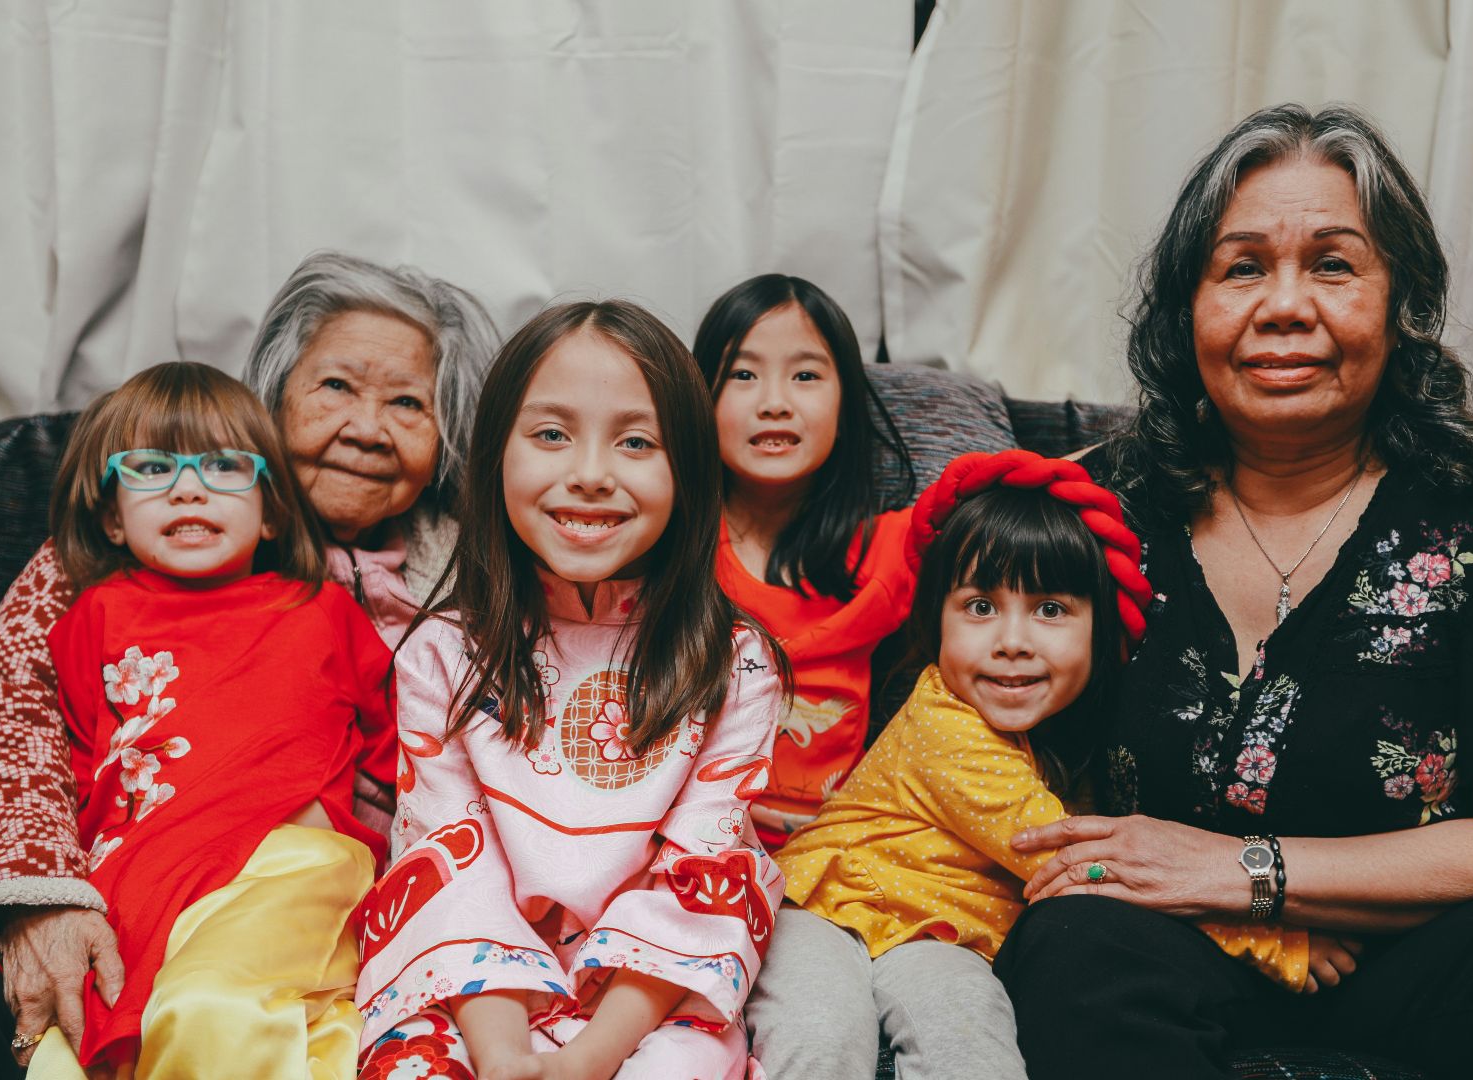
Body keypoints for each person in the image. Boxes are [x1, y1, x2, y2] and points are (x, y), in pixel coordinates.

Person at [991, 103, 1473, 1078]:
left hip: (1425, 952)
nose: (1286, 304)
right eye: (1243, 266)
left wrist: (1248, 871)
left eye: (1333, 265)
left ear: (1402, 306)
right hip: (1179, 952)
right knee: (1069, 951)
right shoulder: (1096, 509)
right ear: (1190, 310)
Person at [0, 251, 496, 1078]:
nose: (366, 426)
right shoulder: (147, 532)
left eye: (408, 402)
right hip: (116, 873)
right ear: (275, 396)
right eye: (336, 388)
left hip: (320, 902)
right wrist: (40, 896)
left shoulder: (483, 583)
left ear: (447, 441)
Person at [748, 450, 1338, 1079]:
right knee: (821, 1040)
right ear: (937, 621)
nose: (1012, 641)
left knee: (979, 1054)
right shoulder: (944, 725)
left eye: (1050, 609)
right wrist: (1276, 942)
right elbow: (1086, 866)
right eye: (979, 607)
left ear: (1099, 632)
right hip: (823, 912)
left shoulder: (1069, 750)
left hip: (943, 939)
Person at [355, 300, 785, 1080]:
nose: (589, 475)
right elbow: (454, 865)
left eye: (636, 442)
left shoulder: (736, 664)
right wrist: (504, 1057)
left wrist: (589, 1058)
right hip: (472, 999)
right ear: (496, 457)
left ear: (689, 470)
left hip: (648, 1001)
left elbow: (698, 876)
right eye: (551, 435)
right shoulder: (442, 656)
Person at [18, 362, 395, 1077]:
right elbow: (63, 766)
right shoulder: (91, 616)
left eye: (224, 465)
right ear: (111, 518)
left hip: (289, 867)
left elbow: (407, 756)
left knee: (206, 1010)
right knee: (64, 1057)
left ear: (273, 512)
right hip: (135, 878)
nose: (188, 487)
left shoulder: (322, 610)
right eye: (153, 467)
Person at [692, 273, 916, 848]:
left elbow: (1014, 488)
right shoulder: (671, 546)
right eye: (742, 374)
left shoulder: (888, 548)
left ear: (846, 403)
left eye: (806, 375)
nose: (774, 403)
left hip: (827, 853)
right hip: (687, 842)